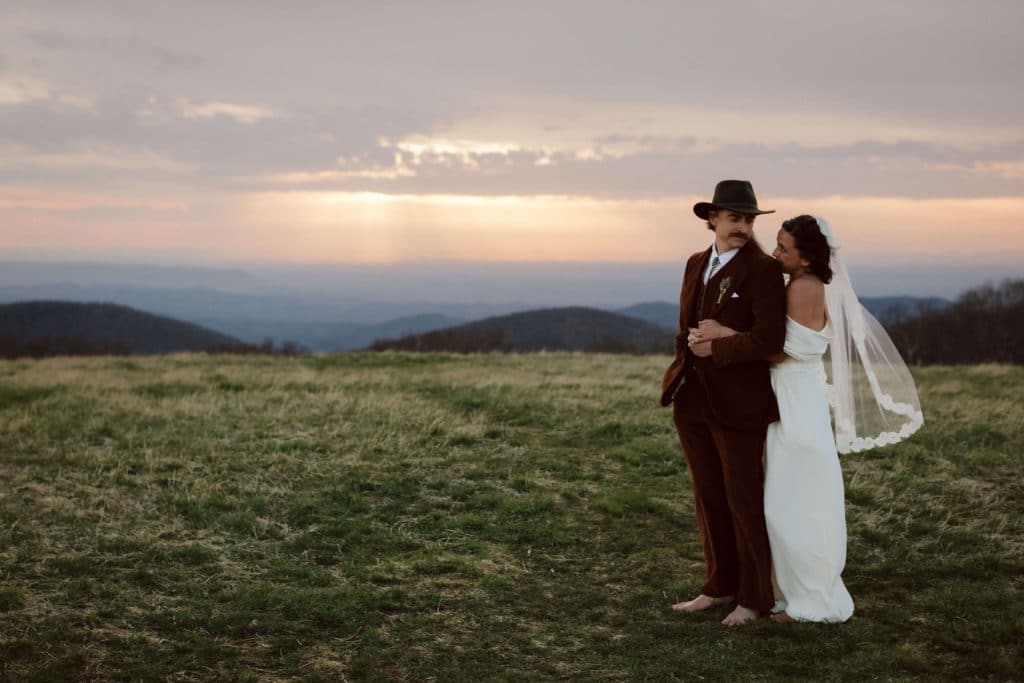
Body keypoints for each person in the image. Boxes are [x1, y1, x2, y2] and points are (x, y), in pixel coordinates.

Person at [695, 215, 924, 623]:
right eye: (778, 244)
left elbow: (779, 350)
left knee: (795, 502)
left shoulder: (803, 288)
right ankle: (789, 588)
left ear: (805, 259)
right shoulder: (804, 283)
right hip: (792, 398)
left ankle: (811, 599)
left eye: (784, 248)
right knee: (787, 499)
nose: (776, 253)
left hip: (795, 402)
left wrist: (723, 335)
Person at [661, 179, 787, 626]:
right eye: (735, 218)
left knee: (743, 500)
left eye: (749, 219)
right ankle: (719, 587)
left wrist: (718, 349)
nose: (744, 226)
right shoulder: (695, 262)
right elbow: (686, 325)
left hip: (740, 404)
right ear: (712, 218)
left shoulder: (765, 270)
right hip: (692, 400)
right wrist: (681, 371)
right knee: (708, 497)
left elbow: (771, 340)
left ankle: (754, 599)